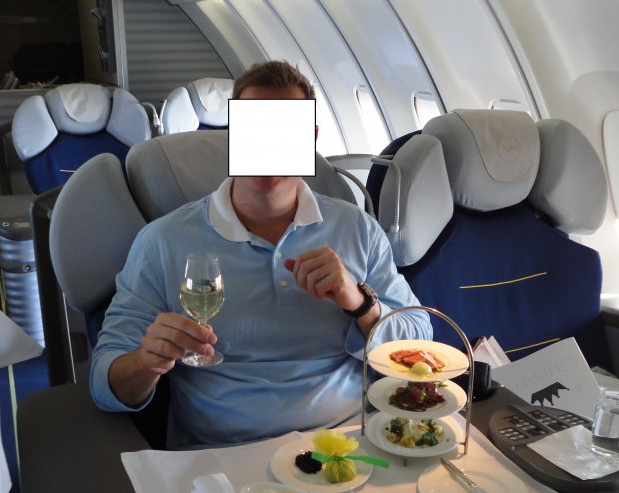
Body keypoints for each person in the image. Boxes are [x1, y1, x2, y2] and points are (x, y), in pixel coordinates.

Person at [90, 60, 432, 448]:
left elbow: (421, 342)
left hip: (350, 446)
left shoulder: (357, 228)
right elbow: (105, 385)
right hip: (226, 455)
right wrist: (146, 361)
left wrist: (360, 303)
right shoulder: (163, 241)